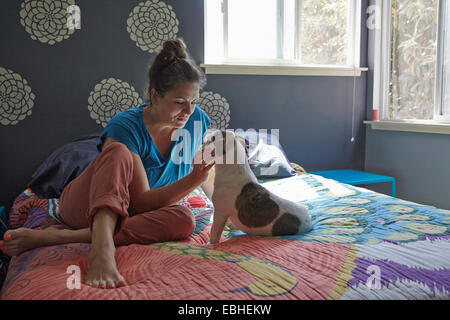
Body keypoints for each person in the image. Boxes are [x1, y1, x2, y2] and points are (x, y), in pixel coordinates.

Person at [0, 39, 215, 290]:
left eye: (194, 101)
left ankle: (58, 236)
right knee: (117, 152)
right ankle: (102, 250)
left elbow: (201, 174)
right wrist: (193, 180)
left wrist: (217, 195)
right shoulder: (125, 125)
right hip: (88, 206)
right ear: (155, 96)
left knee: (184, 219)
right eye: (179, 102)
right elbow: (142, 200)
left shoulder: (196, 120)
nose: (188, 111)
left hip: (136, 215)